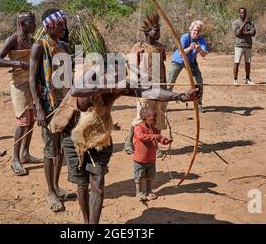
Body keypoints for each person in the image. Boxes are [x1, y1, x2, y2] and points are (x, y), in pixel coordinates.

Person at [48, 65, 201, 223]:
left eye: (120, 78)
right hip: (74, 136)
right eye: (113, 77)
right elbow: (76, 91)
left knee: (98, 181)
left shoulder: (119, 86)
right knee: (82, 184)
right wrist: (108, 86)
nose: (117, 82)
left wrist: (181, 96)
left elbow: (149, 91)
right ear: (102, 74)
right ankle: (87, 222)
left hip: (100, 135)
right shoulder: (90, 78)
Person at [29, 8, 74, 213]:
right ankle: (50, 192)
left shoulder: (63, 45)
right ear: (49, 26)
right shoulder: (39, 47)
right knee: (50, 150)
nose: (64, 27)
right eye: (60, 24)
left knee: (62, 148)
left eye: (64, 24)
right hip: (48, 106)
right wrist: (38, 108)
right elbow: (32, 79)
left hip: (65, 103)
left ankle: (56, 186)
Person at [0, 11, 43, 176]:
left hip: (31, 84)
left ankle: (25, 154)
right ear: (22, 24)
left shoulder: (31, 40)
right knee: (22, 122)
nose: (35, 26)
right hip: (18, 86)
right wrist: (18, 63)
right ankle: (15, 159)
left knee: (30, 122)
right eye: (32, 23)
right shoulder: (13, 39)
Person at [125, 12, 167, 157]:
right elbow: (130, 65)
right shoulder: (139, 47)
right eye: (156, 30)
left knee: (159, 115)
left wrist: (165, 86)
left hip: (160, 86)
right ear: (148, 31)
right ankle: (130, 141)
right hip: (144, 88)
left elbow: (162, 67)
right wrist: (143, 77)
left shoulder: (160, 47)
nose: (159, 33)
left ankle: (156, 144)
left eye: (159, 30)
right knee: (141, 115)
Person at [167, 20, 208, 110]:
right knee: (170, 81)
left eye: (198, 31)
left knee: (198, 81)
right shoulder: (185, 37)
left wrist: (199, 49)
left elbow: (204, 54)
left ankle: (198, 103)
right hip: (178, 61)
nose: (196, 32)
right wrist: (190, 47)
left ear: (201, 32)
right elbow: (181, 53)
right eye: (194, 30)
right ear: (191, 30)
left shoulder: (201, 40)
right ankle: (163, 104)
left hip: (191, 62)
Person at [133, 106, 172, 201]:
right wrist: (154, 136)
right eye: (152, 119)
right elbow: (141, 137)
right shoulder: (138, 128)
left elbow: (159, 137)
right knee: (139, 176)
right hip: (140, 159)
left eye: (156, 119)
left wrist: (165, 140)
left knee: (150, 176)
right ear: (144, 118)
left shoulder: (154, 129)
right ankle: (139, 192)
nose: (154, 121)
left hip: (151, 158)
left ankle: (149, 191)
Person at [233, 7, 256, 85]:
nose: (243, 14)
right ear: (239, 13)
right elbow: (238, 33)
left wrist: (244, 32)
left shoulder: (251, 22)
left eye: (244, 12)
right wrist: (245, 23)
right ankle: (235, 79)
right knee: (237, 62)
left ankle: (247, 79)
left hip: (248, 45)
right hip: (239, 45)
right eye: (242, 12)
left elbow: (253, 32)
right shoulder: (235, 22)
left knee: (248, 63)